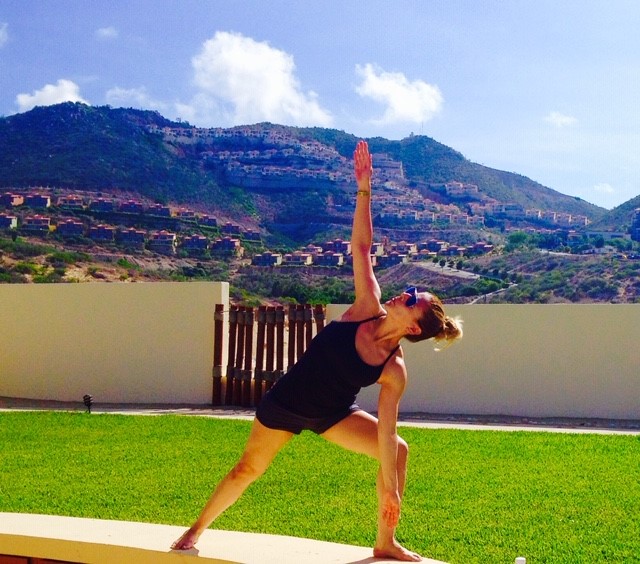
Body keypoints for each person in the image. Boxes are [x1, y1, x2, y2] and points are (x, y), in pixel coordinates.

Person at [171, 140, 463, 561]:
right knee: (247, 469)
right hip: (286, 402)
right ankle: (196, 530)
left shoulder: (393, 370)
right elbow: (361, 248)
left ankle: (385, 541)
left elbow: (385, 431)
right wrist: (364, 188)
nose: (407, 291)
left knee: (398, 450)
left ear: (414, 327)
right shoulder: (368, 307)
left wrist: (393, 487)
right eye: (413, 289)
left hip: (332, 415)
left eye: (413, 297)